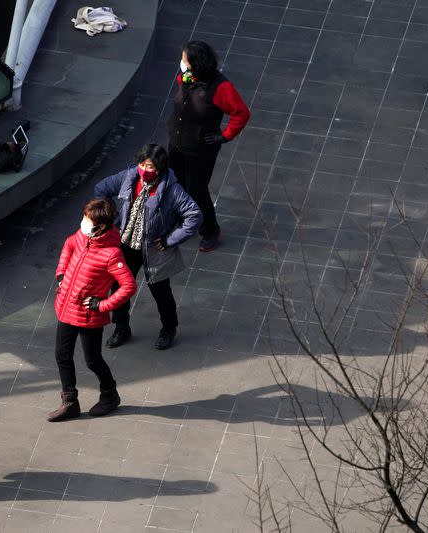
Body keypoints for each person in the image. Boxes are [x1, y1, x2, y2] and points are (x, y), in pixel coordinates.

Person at [94, 144, 202, 351]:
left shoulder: (172, 190)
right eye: (142, 164)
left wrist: (170, 239)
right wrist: (111, 220)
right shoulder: (129, 176)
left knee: (161, 291)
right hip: (126, 244)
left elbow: (194, 215)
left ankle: (169, 329)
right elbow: (101, 189)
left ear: (160, 169)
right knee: (118, 288)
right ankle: (121, 327)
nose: (144, 169)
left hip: (155, 248)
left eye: (150, 166)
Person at [48, 199, 137, 422]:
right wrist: (61, 274)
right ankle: (69, 402)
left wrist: (102, 305)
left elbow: (128, 286)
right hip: (67, 307)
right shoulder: (81, 237)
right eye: (85, 217)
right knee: (62, 355)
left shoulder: (112, 254)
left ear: (102, 226)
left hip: (89, 316)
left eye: (89, 220)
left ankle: (109, 394)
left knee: (93, 360)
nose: (85, 223)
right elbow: (68, 246)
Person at [167, 40, 251, 252]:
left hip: (200, 148)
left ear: (196, 63)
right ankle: (185, 219)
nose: (182, 63)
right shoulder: (186, 78)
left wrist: (225, 136)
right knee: (177, 185)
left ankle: (210, 229)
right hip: (177, 143)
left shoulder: (220, 87)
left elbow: (240, 113)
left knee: (197, 190)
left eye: (185, 60)